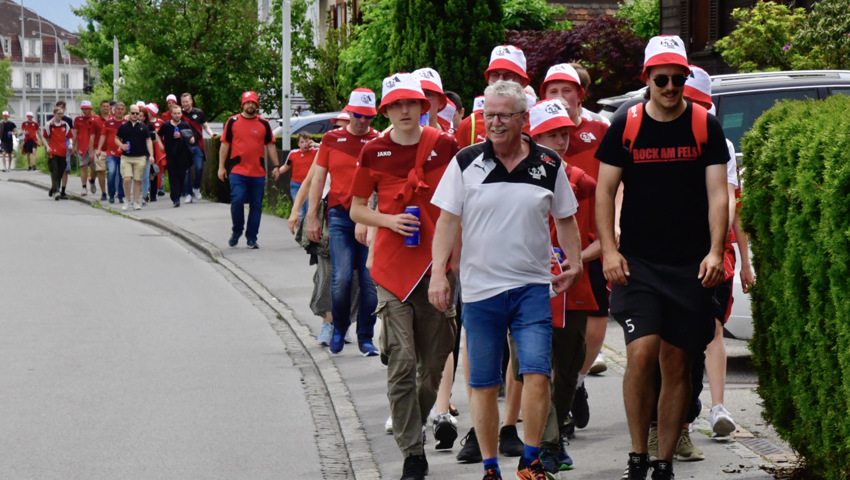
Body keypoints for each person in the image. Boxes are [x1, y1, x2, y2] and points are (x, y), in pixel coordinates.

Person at [429, 80, 583, 480]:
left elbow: (565, 219)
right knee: (482, 382)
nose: (494, 123)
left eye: (503, 115)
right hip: (481, 291)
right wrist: (437, 274)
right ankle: (491, 467)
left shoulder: (548, 163)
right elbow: (447, 221)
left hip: (533, 287)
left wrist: (575, 263)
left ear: (523, 119)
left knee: (536, 372)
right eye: (488, 115)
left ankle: (530, 460)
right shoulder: (465, 162)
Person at [594, 35, 730, 480]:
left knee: (676, 362)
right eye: (662, 79)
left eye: (678, 79)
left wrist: (715, 251)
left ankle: (664, 461)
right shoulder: (625, 123)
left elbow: (717, 195)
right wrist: (610, 251)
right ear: (647, 79)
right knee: (642, 352)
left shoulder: (704, 126)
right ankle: (638, 453)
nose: (670, 87)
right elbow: (604, 191)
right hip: (640, 263)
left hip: (690, 264)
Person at [349, 72, 460, 480]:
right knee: (402, 362)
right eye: (396, 104)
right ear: (386, 111)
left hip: (437, 265)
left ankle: (415, 416)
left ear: (424, 106)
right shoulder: (374, 151)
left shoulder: (446, 146)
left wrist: (457, 262)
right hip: (393, 269)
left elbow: (463, 203)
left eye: (412, 103)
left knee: (433, 363)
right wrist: (388, 221)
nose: (405, 110)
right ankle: (413, 452)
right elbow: (357, 209)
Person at [524, 98, 600, 475]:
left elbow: (603, 238)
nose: (560, 140)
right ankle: (549, 443)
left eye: (564, 134)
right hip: (530, 288)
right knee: (537, 368)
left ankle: (556, 433)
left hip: (573, 288)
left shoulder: (582, 181)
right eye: (551, 134)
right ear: (533, 136)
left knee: (568, 368)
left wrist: (576, 261)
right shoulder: (516, 178)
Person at [539, 63, 611, 431]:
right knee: (537, 343)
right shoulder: (533, 135)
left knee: (592, 325)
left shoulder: (600, 129)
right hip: (544, 248)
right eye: (551, 91)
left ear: (580, 94)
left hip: (590, 237)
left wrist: (611, 230)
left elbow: (614, 181)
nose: (559, 97)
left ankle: (576, 381)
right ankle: (541, 420)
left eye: (566, 90)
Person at [306, 88, 381, 356]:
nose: (363, 121)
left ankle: (366, 338)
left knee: (369, 279)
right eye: (358, 115)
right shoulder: (331, 139)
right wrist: (311, 216)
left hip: (368, 217)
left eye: (368, 117)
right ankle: (339, 328)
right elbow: (317, 178)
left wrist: (370, 218)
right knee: (341, 278)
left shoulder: (378, 140)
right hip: (339, 216)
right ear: (349, 112)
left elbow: (380, 185)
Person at [217, 91, 279, 248]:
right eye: (248, 102)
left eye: (253, 103)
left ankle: (252, 237)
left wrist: (276, 166)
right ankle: (237, 230)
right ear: (242, 104)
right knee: (237, 200)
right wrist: (221, 167)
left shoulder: (264, 124)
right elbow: (224, 144)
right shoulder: (233, 122)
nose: (250, 105)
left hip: (257, 172)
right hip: (238, 170)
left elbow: (270, 145)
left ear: (257, 105)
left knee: (256, 205)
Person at [456, 45, 529, 149]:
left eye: (509, 75)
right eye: (495, 75)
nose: (500, 80)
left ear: (523, 82)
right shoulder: (469, 125)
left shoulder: (539, 123)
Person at [115, 104, 155, 211]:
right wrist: (121, 146)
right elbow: (116, 139)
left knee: (138, 180)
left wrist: (151, 155)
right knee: (127, 179)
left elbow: (149, 141)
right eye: (133, 113)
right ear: (129, 113)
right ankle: (127, 200)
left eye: (137, 113)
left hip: (140, 157)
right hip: (126, 157)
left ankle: (136, 202)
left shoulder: (143, 127)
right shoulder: (123, 126)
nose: (135, 115)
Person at [181, 92, 216, 203]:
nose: (185, 104)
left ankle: (196, 188)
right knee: (186, 171)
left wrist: (211, 134)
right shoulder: (179, 114)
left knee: (199, 168)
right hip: (185, 147)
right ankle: (189, 194)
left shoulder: (199, 113)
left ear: (191, 101)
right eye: (183, 102)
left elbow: (205, 125)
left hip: (197, 145)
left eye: (187, 101)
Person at [157, 104, 194, 207]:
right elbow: (158, 134)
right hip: (170, 154)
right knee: (173, 176)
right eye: (175, 113)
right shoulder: (166, 125)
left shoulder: (185, 125)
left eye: (179, 113)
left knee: (181, 175)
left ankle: (180, 191)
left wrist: (182, 135)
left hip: (183, 154)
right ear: (171, 114)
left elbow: (192, 139)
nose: (177, 115)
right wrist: (160, 145)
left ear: (181, 114)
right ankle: (175, 198)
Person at [276, 132, 317, 219]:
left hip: (310, 185)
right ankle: (300, 231)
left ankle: (306, 230)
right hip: (296, 185)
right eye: (302, 142)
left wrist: (314, 144)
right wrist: (278, 171)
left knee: (309, 209)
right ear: (298, 143)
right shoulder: (293, 153)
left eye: (307, 141)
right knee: (300, 211)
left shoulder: (314, 151)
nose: (305, 144)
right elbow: (286, 166)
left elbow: (326, 147)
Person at [97, 102, 127, 203]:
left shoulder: (127, 123)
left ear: (124, 111)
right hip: (111, 153)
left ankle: (121, 195)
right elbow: (103, 136)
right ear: (114, 110)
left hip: (124, 153)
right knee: (112, 172)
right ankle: (111, 194)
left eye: (121, 109)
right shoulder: (108, 123)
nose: (119, 110)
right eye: (118, 108)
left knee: (122, 174)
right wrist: (99, 149)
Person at [41, 107, 73, 199]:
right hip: (53, 152)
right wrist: (47, 147)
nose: (60, 115)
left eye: (62, 113)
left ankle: (53, 188)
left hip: (63, 151)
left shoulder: (65, 125)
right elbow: (44, 137)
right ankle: (56, 192)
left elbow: (70, 136)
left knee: (60, 172)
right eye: (58, 113)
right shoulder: (50, 125)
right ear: (54, 114)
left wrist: (70, 144)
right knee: (54, 171)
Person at [73, 101, 97, 196]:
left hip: (93, 146)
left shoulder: (96, 118)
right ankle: (84, 187)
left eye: (86, 109)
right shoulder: (78, 119)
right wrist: (73, 146)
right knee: (84, 167)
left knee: (95, 167)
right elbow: (74, 133)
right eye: (83, 109)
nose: (84, 110)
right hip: (82, 146)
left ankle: (92, 179)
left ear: (90, 109)